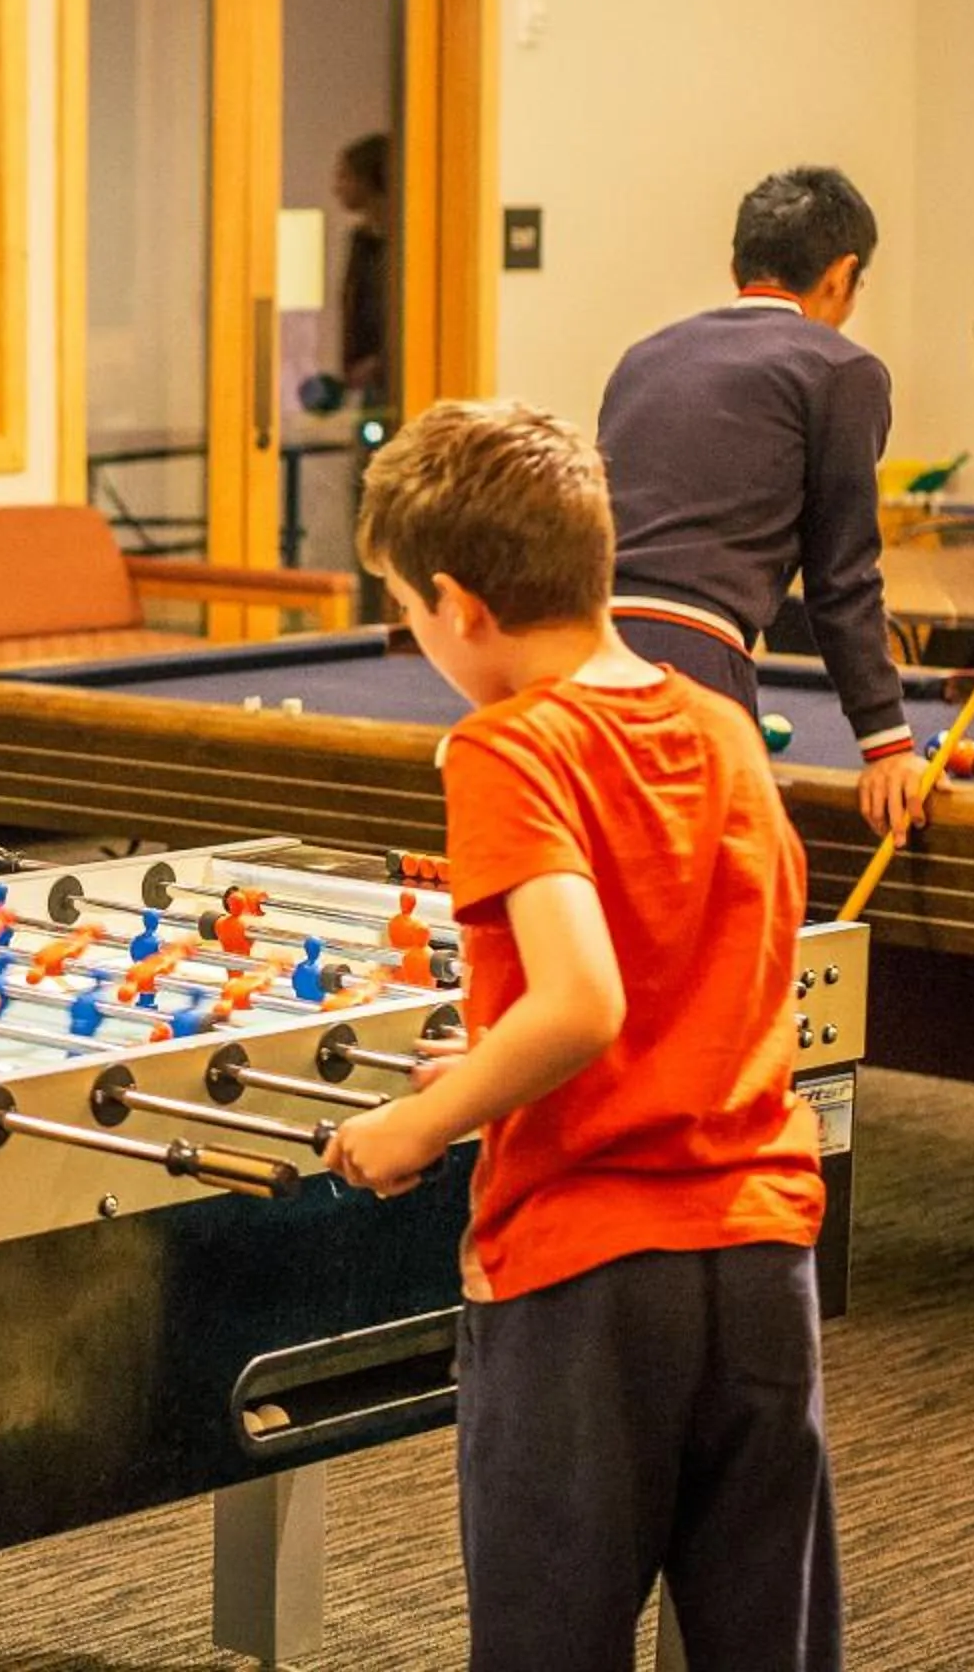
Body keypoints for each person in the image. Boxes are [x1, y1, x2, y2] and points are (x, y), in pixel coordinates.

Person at [323, 398, 840, 1672]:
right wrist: (495, 1059)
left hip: (587, 1283)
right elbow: (687, 971)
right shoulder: (718, 724)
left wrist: (415, 1121)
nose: (411, 631)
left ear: (463, 603)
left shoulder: (505, 747)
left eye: (406, 604)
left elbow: (583, 998)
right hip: (764, 1260)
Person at [597, 165, 927, 840]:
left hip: (575, 649)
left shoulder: (645, 356)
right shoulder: (841, 369)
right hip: (691, 669)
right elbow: (842, 577)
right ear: (842, 275)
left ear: (735, 266)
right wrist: (886, 741)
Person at [331, 132, 395, 410]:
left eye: (344, 177)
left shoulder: (400, 245)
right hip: (365, 377)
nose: (337, 188)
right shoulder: (361, 241)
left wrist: (381, 362)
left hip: (388, 374)